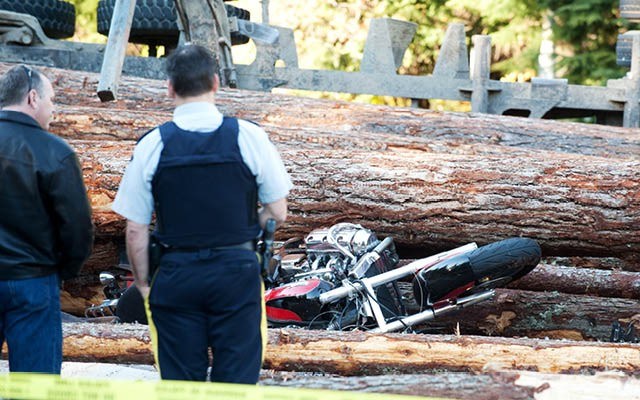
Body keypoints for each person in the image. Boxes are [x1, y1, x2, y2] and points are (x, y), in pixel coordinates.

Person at [112, 44, 292, 383]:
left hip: (176, 275)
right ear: (214, 83)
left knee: (181, 384)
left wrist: (144, 284)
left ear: (170, 87)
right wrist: (241, 233)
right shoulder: (249, 137)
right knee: (236, 383)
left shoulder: (152, 144)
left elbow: (135, 230)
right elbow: (277, 211)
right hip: (236, 275)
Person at [0, 65, 94, 373]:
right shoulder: (56, 153)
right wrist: (62, 271)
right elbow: (77, 229)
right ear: (31, 98)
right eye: (51, 99)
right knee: (35, 386)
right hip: (33, 281)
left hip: (33, 276)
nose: (54, 108)